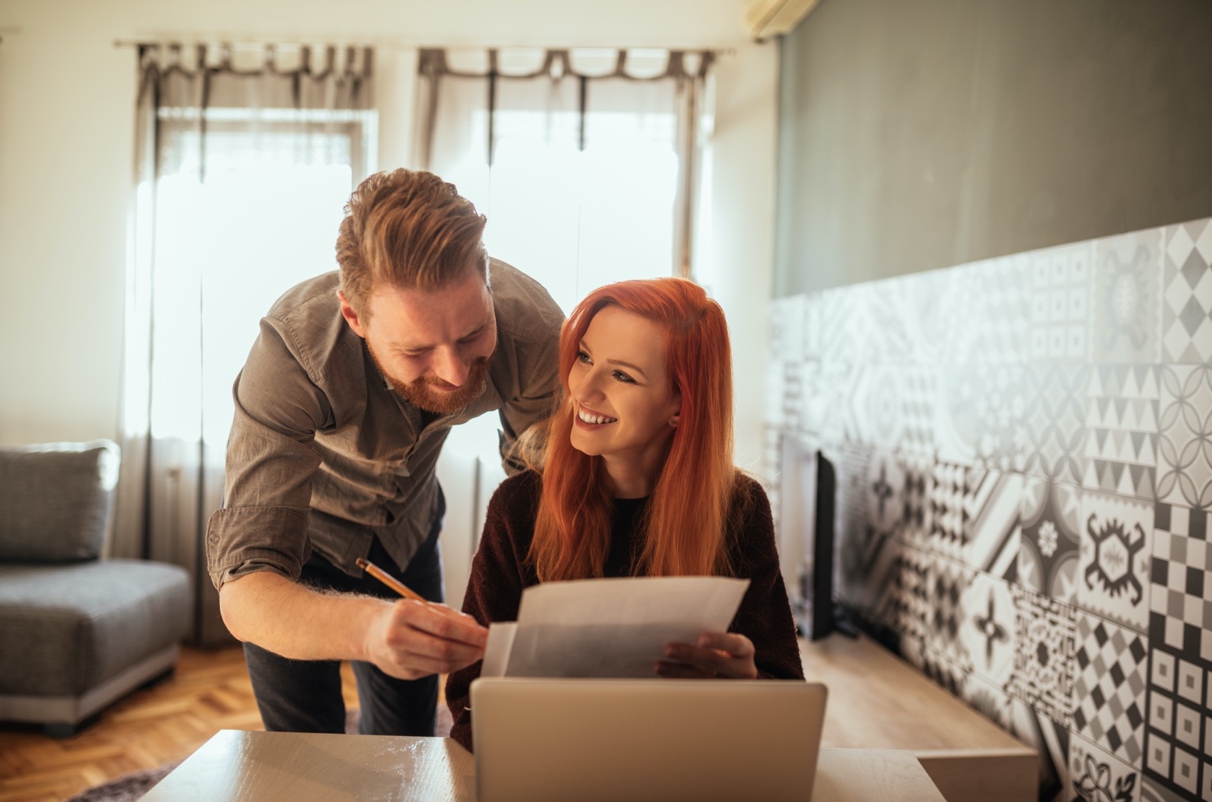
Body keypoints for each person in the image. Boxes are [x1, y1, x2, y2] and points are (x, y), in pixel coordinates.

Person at [205, 168, 565, 737]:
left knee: (405, 748)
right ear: (354, 317)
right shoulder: (290, 353)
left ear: (487, 280)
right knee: (306, 753)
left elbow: (552, 503)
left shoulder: (534, 329)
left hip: (408, 534)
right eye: (418, 349)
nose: (453, 371)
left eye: (472, 335)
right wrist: (368, 629)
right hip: (298, 548)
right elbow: (245, 593)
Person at [446, 277, 804, 751]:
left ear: (681, 404)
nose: (583, 389)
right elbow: (468, 702)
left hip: (683, 767)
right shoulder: (518, 508)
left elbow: (784, 707)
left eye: (622, 375)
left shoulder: (739, 510)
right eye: (585, 357)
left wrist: (745, 690)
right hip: (552, 766)